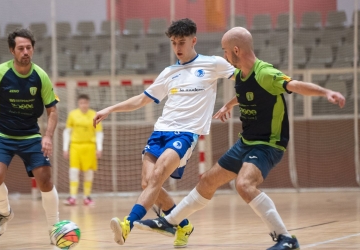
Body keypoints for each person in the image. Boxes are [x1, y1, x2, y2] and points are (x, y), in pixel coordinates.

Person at [133, 27, 346, 250]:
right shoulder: (241, 74)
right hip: (246, 141)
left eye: (225, 51)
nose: (224, 55)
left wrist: (325, 93)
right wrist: (230, 104)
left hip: (268, 144)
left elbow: (294, 85)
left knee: (244, 184)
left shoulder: (265, 73)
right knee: (208, 180)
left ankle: (286, 239)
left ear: (236, 50)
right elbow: (248, 92)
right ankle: (170, 222)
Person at [93, 18, 235, 247]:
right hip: (160, 131)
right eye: (173, 43)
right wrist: (110, 109)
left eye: (182, 42)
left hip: (185, 134)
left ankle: (128, 223)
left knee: (158, 175)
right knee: (148, 183)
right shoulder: (169, 72)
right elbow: (141, 99)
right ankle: (184, 225)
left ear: (193, 40)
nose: (177, 48)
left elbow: (248, 79)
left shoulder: (213, 63)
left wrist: (231, 103)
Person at [0, 28, 60, 242]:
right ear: (12, 50)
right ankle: (5, 212)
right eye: (20, 48)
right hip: (2, 134)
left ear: (33, 50)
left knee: (45, 179)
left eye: (28, 48)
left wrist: (48, 136)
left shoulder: (40, 76)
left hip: (31, 136)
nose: (25, 51)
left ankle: (54, 227)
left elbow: (52, 110)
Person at [62, 94, 103, 206]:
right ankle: (72, 197)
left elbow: (99, 133)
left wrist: (99, 148)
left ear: (88, 103)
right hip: (75, 146)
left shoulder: (94, 115)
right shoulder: (72, 114)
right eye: (81, 103)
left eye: (85, 103)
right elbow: (67, 131)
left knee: (88, 172)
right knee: (74, 171)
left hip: (89, 146)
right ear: (78, 104)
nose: (83, 105)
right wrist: (65, 148)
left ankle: (87, 197)